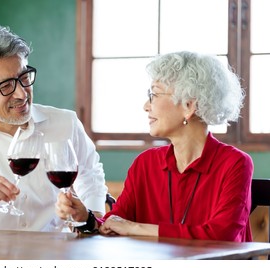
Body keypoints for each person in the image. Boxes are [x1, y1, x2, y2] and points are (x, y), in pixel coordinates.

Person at [57, 51, 254, 242]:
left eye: (155, 94)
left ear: (188, 106)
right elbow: (112, 225)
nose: (146, 105)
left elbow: (222, 235)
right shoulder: (146, 163)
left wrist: (135, 228)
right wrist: (85, 217)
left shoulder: (235, 164)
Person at [0, 24, 107, 231]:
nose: (22, 94)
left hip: (54, 253)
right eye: (5, 86)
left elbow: (90, 175)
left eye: (24, 78)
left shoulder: (65, 122)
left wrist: (91, 218)